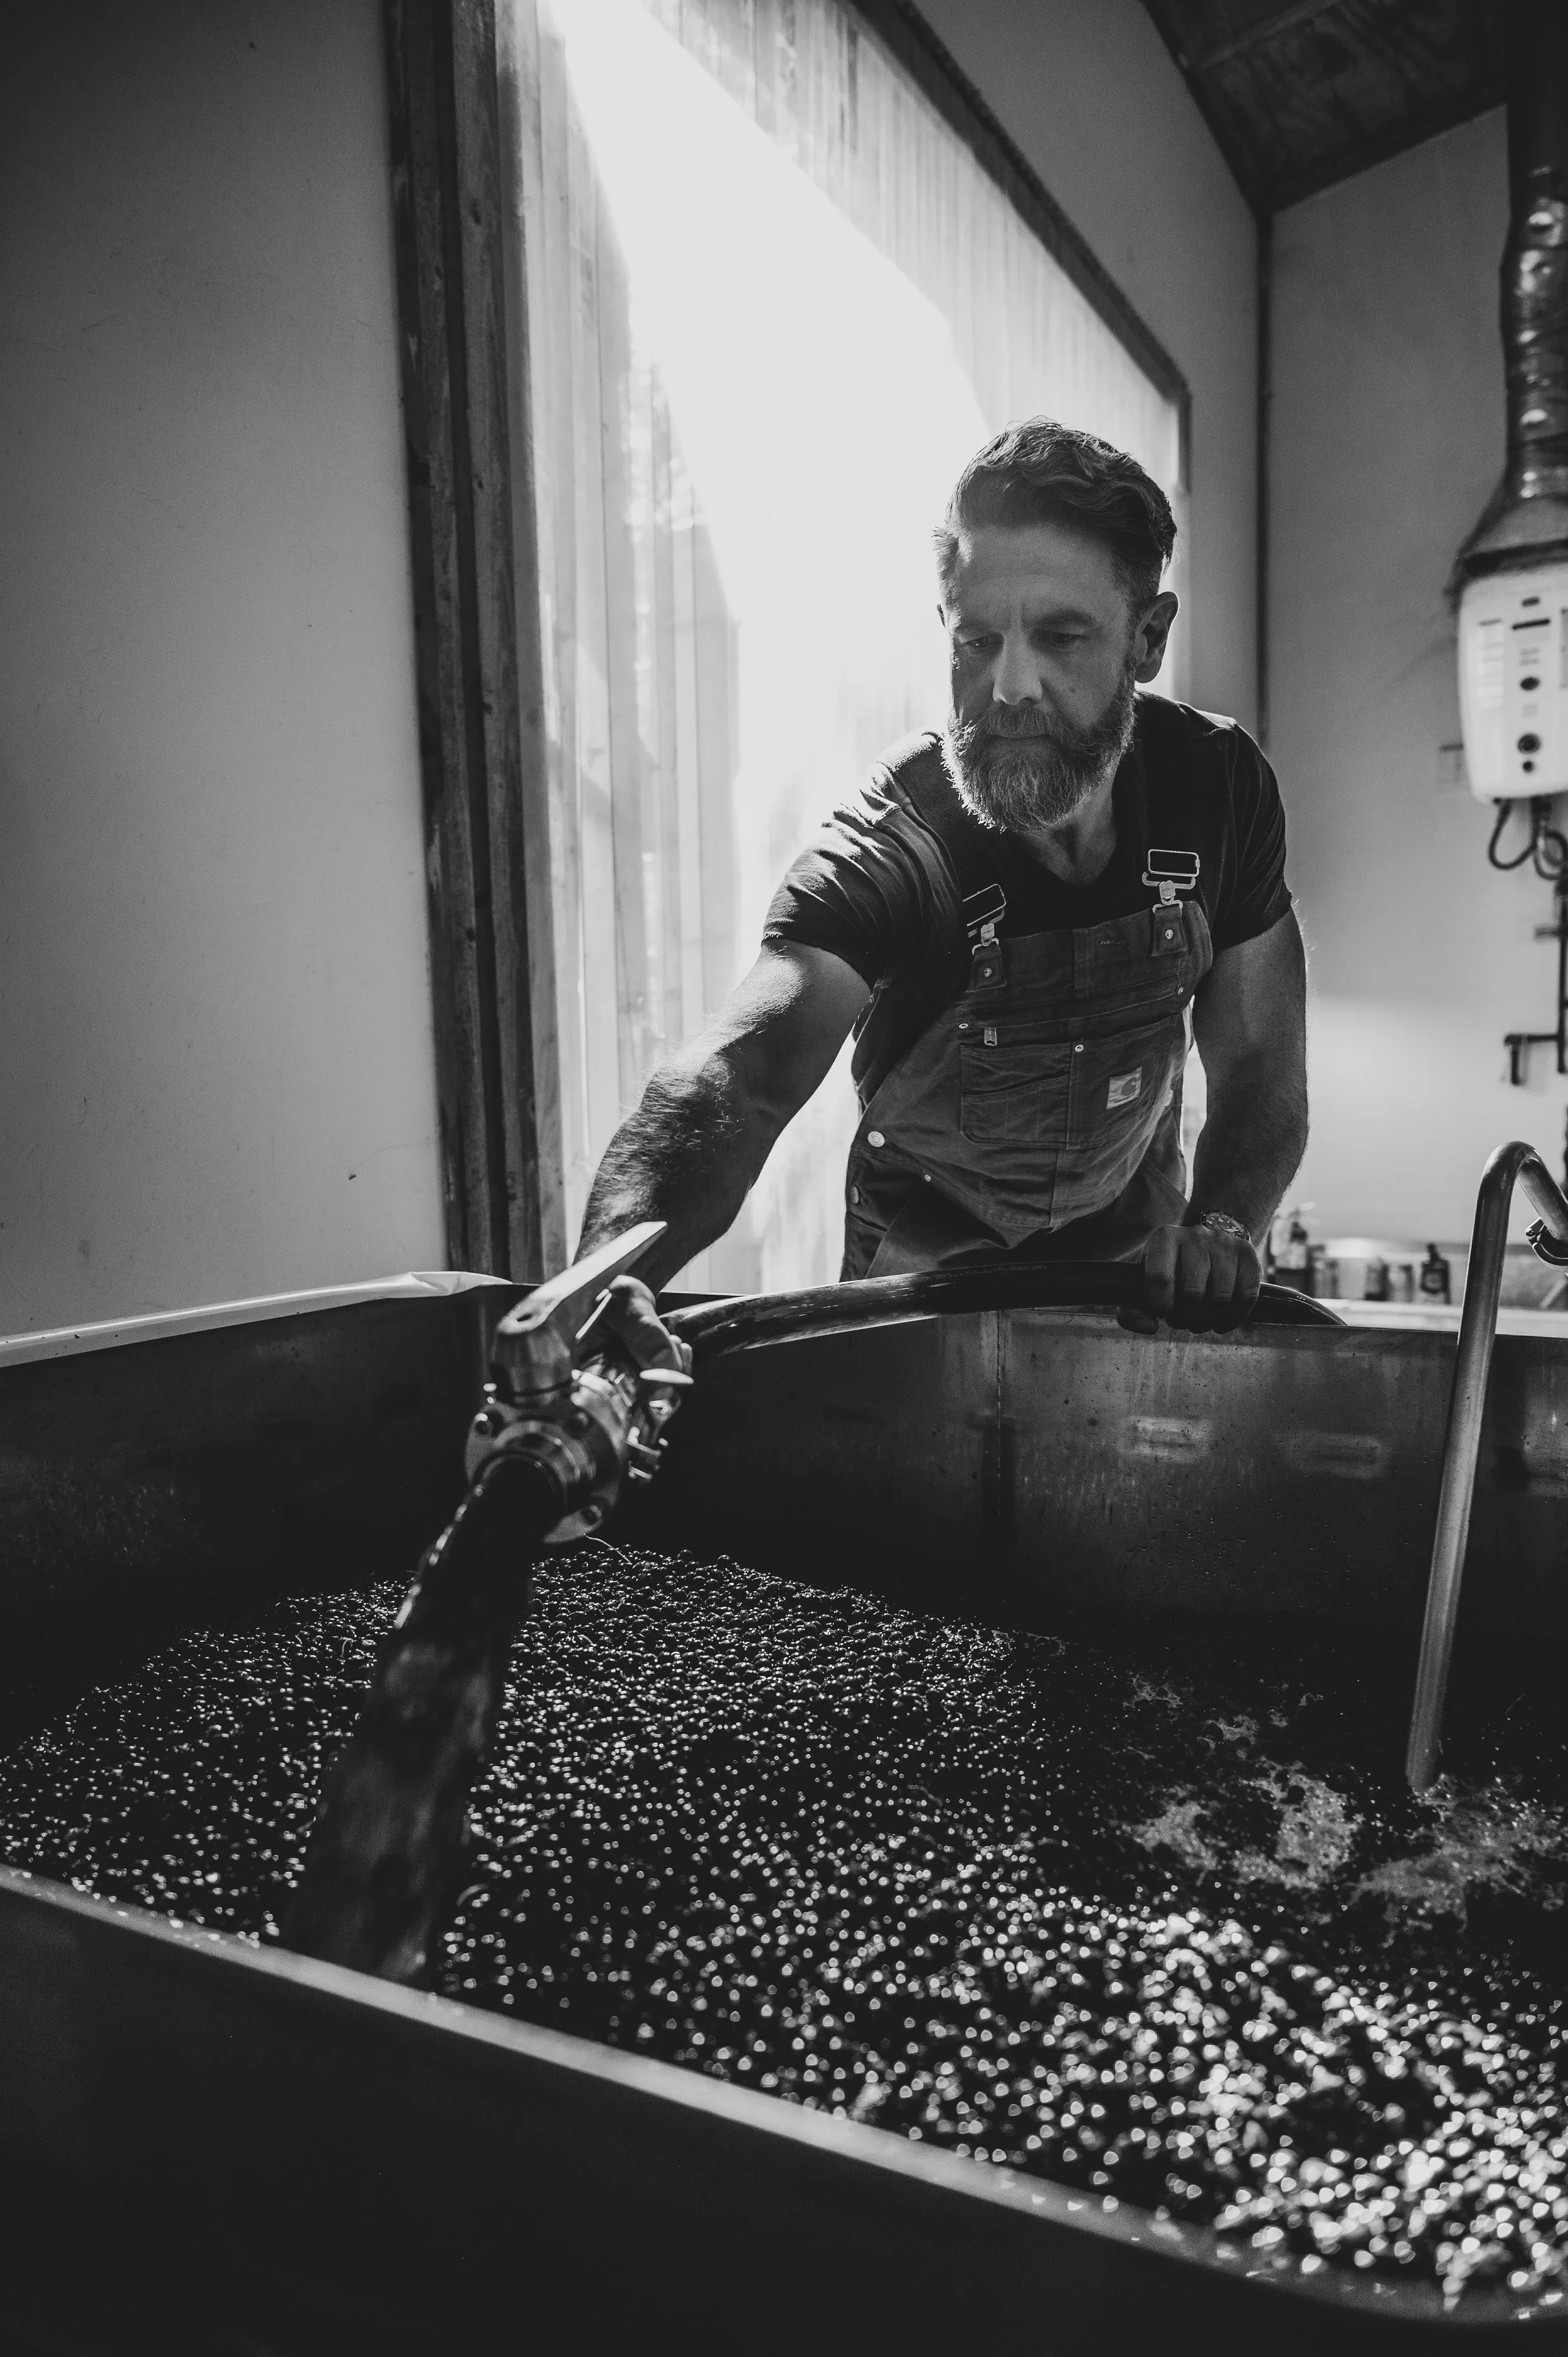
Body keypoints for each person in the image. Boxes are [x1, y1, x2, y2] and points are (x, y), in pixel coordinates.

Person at [581, 418, 1307, 1349]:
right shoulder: (897, 846)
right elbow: (740, 1080)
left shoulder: (1219, 790)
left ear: (1148, 638)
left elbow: (1258, 1065)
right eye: (977, 640)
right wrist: (597, 1285)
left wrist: (1222, 1227)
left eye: (1060, 637)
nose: (1008, 687)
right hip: (915, 1314)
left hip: (1133, 1288)